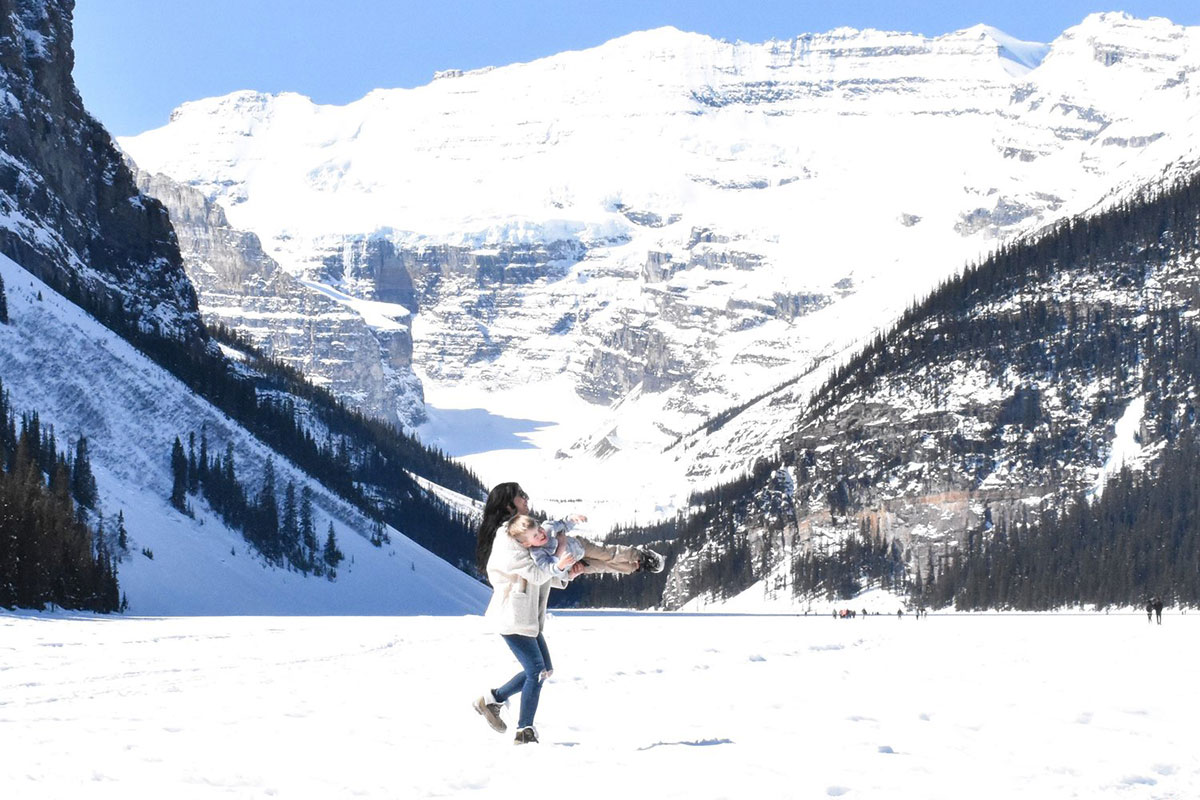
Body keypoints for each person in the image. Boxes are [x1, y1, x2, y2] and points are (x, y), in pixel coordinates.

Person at [471, 482, 584, 745]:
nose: (526, 499)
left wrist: (565, 572)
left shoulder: (527, 532)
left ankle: (493, 699)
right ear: (509, 504)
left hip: (527, 617)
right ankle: (525, 730)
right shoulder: (507, 538)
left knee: (543, 669)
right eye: (521, 496)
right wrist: (558, 563)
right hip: (512, 615)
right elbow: (534, 572)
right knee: (536, 671)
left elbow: (542, 571)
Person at [508, 513, 664, 575]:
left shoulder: (548, 529)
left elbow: (561, 524)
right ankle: (636, 567)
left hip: (580, 546)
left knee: (609, 554)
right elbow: (549, 569)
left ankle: (640, 555)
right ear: (528, 544)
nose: (542, 534)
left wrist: (572, 519)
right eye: (535, 536)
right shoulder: (538, 554)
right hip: (576, 563)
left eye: (539, 529)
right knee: (606, 566)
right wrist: (559, 561)